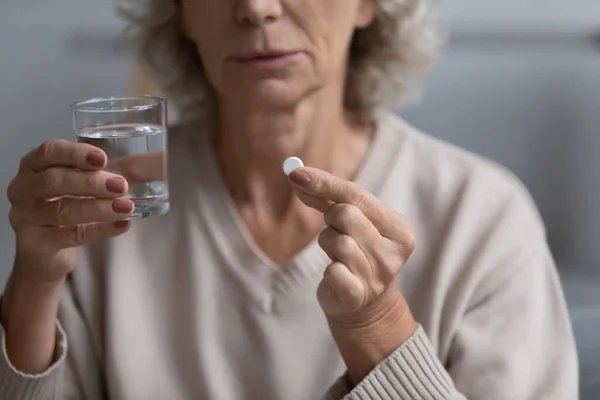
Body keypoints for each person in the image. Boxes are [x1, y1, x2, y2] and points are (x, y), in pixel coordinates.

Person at [0, 0, 578, 399]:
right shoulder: (111, 208)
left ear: (367, 5)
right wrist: (35, 276)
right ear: (181, 12)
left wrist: (378, 329)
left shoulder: (483, 218)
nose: (255, 7)